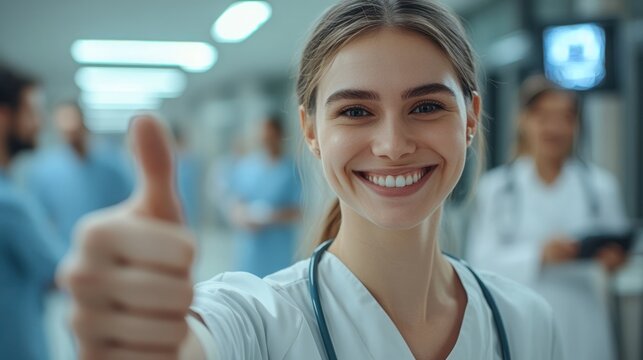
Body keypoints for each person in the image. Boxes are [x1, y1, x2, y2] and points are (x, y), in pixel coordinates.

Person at [57, 1, 563, 359]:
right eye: (356, 110)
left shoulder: (524, 322)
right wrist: (142, 339)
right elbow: (195, 341)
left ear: (471, 119)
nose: (392, 144)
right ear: (311, 130)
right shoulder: (260, 321)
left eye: (426, 106)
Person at [466, 75, 628, 360]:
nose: (554, 127)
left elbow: (619, 254)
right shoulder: (498, 189)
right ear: (523, 121)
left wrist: (615, 260)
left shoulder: (600, 187)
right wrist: (540, 254)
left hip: (586, 323)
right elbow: (479, 262)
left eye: (565, 117)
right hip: (522, 321)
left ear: (576, 125)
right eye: (542, 116)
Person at [0, 63, 63, 360]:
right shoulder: (9, 203)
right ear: (3, 117)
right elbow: (62, 273)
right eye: (31, 112)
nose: (39, 123)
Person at [26, 102, 132, 247]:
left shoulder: (112, 167)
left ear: (83, 123)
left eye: (72, 121)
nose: (69, 128)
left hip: (107, 249)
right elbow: (40, 220)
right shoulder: (45, 172)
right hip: (64, 252)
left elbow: (127, 209)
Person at [226, 117, 301, 277]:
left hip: (278, 252)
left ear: (280, 136)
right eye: (263, 137)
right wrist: (242, 217)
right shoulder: (246, 167)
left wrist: (268, 216)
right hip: (250, 252)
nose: (266, 141)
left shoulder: (291, 170)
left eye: (270, 136)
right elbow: (236, 205)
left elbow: (297, 212)